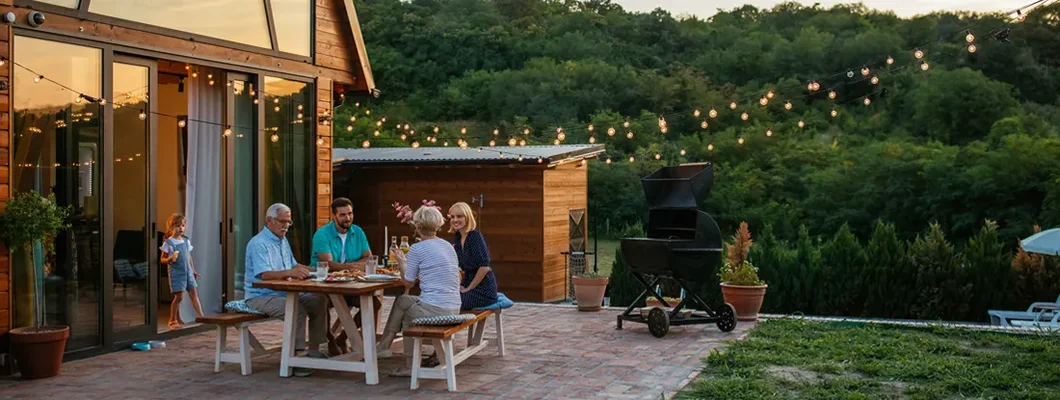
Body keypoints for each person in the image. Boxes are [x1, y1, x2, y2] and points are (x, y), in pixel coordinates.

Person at [244, 203, 328, 377]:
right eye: (282, 221)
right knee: (295, 309)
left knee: (319, 299)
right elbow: (265, 275)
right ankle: (295, 358)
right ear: (269, 220)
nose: (286, 226)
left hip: (283, 293)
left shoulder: (282, 240)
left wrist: (315, 270)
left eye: (289, 222)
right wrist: (291, 273)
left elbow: (292, 264)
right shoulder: (259, 243)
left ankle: (313, 350)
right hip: (260, 296)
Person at [376, 205, 461, 377]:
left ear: (417, 226)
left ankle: (410, 366)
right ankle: (384, 347)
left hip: (435, 308)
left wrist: (401, 261)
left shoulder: (417, 248)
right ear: (438, 224)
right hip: (454, 306)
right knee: (402, 300)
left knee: (409, 317)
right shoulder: (447, 245)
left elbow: (408, 282)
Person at [311, 197, 381, 354]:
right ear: (334, 216)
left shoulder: (358, 231)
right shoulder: (322, 235)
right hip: (324, 284)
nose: (347, 218)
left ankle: (342, 337)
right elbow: (329, 264)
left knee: (374, 303)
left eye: (350, 213)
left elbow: (368, 258)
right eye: (342, 215)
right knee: (320, 302)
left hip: (350, 284)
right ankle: (330, 339)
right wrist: (352, 266)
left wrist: (350, 268)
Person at [448, 202, 499, 310]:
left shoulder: (474, 236)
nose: (455, 220)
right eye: (452, 217)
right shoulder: (457, 237)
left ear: (467, 217)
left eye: (459, 216)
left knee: (452, 304)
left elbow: (484, 267)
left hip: (483, 289)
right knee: (445, 299)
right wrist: (459, 286)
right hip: (468, 284)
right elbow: (459, 267)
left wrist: (469, 288)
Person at [159, 213, 204, 330]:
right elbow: (162, 259)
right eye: (178, 226)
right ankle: (172, 319)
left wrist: (193, 270)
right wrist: (169, 258)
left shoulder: (185, 240)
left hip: (188, 272)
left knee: (194, 294)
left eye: (183, 226)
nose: (181, 228)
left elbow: (188, 256)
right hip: (177, 273)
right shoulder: (169, 243)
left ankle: (201, 317)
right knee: (179, 297)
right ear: (171, 227)